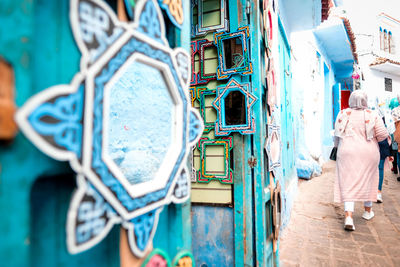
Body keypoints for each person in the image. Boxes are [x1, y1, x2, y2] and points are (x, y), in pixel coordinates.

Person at [334, 90, 389, 231]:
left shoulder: (343, 114)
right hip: (368, 153)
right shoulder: (372, 114)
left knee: (348, 182)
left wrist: (337, 147)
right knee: (369, 180)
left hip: (347, 152)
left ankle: (348, 217)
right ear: (365, 100)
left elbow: (337, 135)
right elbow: (382, 135)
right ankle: (368, 211)